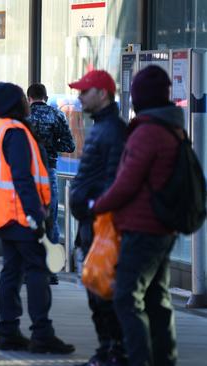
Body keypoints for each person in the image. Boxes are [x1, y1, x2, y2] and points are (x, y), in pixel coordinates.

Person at [93, 65, 181, 366]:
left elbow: (126, 183)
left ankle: (140, 360)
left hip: (143, 228)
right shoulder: (171, 127)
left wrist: (98, 205)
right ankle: (164, 360)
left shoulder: (148, 132)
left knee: (126, 298)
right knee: (157, 300)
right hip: (161, 228)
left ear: (141, 97)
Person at [0, 82, 75, 353]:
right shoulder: (16, 132)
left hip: (4, 216)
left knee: (11, 272)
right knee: (37, 271)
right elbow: (22, 177)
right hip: (22, 216)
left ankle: (8, 331)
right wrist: (36, 214)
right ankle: (42, 333)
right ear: (17, 103)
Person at [69, 70, 127, 366]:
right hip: (91, 223)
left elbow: (115, 178)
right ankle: (107, 348)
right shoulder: (104, 128)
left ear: (102, 94)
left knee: (103, 291)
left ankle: (115, 350)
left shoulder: (113, 130)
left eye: (84, 91)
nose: (79, 97)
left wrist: (92, 205)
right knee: (96, 291)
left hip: (101, 224)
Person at [27, 83, 75, 244]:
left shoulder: (22, 117)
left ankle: (30, 257)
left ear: (29, 99)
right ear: (46, 98)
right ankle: (51, 261)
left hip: (27, 172)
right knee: (51, 220)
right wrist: (52, 145)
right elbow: (70, 145)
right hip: (49, 170)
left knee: (28, 218)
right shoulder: (57, 115)